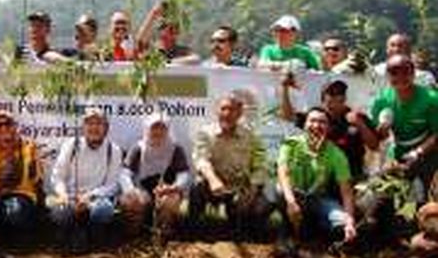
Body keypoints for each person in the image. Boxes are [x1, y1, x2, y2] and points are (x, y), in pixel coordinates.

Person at [276, 107, 357, 244]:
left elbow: (346, 191)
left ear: (329, 127)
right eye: (312, 121)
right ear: (304, 125)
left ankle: (316, 228)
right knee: (279, 190)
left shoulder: (336, 154)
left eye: (322, 122)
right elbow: (283, 173)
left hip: (318, 198)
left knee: (341, 225)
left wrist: (349, 221)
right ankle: (288, 228)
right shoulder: (290, 144)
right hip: (293, 196)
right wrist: (291, 202)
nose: (316, 126)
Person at [192, 95, 269, 235]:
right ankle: (193, 232)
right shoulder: (205, 133)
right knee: (197, 188)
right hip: (213, 186)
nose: (227, 113)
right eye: (223, 109)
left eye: (232, 110)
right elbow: (201, 160)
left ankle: (249, 235)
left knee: (262, 207)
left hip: (240, 189)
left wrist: (252, 188)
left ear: (240, 113)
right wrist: (213, 179)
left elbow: (261, 166)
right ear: (217, 111)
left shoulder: (251, 136)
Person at [48, 108, 122, 252]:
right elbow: (57, 177)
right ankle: (67, 237)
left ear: (106, 128)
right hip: (70, 198)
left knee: (104, 209)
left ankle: (96, 238)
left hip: (95, 199)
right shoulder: (71, 145)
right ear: (83, 127)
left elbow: (113, 185)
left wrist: (90, 197)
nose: (94, 128)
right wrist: (64, 195)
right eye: (90, 123)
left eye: (99, 124)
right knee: (60, 212)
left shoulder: (114, 150)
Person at [280, 78, 379, 180]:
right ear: (323, 100)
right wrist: (284, 89)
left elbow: (374, 146)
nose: (335, 97)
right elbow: (287, 116)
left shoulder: (358, 116)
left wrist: (360, 124)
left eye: (339, 94)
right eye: (331, 95)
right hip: (323, 178)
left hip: (353, 175)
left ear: (344, 98)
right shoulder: (317, 117)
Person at [370, 55, 438, 200]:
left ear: (413, 74)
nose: (400, 77)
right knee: (383, 196)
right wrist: (382, 130)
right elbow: (378, 140)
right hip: (398, 154)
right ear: (387, 75)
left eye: (405, 72)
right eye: (394, 72)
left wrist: (418, 152)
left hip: (430, 153)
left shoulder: (431, 99)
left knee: (429, 198)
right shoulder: (381, 101)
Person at [119, 114, 192, 240]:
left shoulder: (175, 148)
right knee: (130, 201)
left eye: (162, 128)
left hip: (167, 189)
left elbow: (184, 174)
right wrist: (131, 190)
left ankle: (164, 235)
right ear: (147, 129)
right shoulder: (138, 148)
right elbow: (125, 173)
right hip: (142, 189)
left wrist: (174, 187)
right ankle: (133, 236)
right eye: (154, 128)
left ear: (167, 130)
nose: (158, 132)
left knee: (169, 201)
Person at [0, 112, 43, 244]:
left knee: (15, 212)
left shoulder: (29, 147)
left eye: (7, 124)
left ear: (15, 127)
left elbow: (36, 177)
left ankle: (20, 238)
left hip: (22, 193)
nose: (3, 128)